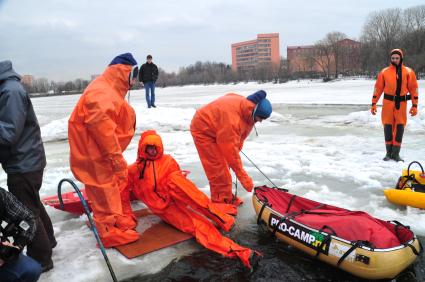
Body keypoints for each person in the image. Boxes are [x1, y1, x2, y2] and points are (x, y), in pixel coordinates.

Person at [120, 130, 260, 269]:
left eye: (154, 148)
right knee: (198, 226)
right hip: (166, 209)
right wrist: (127, 218)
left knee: (185, 188)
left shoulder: (167, 161)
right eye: (149, 148)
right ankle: (240, 253)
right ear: (142, 148)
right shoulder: (134, 171)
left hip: (176, 197)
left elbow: (180, 184)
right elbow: (124, 194)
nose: (152, 151)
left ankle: (223, 219)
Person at [68, 53, 140, 248]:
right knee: (104, 189)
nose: (134, 80)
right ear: (123, 72)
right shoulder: (102, 92)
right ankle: (109, 232)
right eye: (133, 74)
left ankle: (114, 220)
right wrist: (116, 160)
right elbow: (102, 129)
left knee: (107, 188)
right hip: (95, 153)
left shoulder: (109, 90)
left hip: (98, 151)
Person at [0, 60, 55, 272]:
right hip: (26, 160)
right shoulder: (8, 88)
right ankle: (48, 241)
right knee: (32, 203)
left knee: (27, 212)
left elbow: (7, 133)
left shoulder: (10, 91)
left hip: (24, 163)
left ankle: (41, 258)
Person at [190, 90, 272, 207]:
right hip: (204, 131)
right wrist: (244, 179)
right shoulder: (233, 120)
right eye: (260, 118)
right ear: (254, 111)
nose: (260, 121)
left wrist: (234, 152)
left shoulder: (247, 109)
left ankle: (225, 197)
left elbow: (239, 139)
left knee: (225, 164)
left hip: (219, 128)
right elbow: (230, 151)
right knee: (218, 169)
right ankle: (220, 204)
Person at [371, 49, 419, 162]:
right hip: (387, 104)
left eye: (397, 58)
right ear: (390, 59)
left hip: (401, 104)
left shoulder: (408, 72)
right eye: (393, 58)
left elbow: (414, 89)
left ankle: (396, 154)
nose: (395, 60)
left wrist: (414, 105)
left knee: (399, 127)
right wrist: (373, 103)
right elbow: (378, 88)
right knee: (387, 127)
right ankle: (388, 153)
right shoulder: (384, 72)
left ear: (401, 58)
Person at [0, 187, 42, 282]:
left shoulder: (2, 196)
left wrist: (17, 246)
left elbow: (28, 220)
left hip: (3, 254)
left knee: (32, 270)